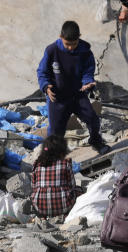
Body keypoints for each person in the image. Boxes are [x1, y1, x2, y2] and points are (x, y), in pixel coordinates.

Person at [36, 20, 108, 153]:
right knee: (55, 132)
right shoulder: (52, 51)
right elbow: (42, 71)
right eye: (67, 44)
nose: (70, 47)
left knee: (93, 120)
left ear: (79, 37)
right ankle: (53, 156)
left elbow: (88, 71)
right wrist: (46, 86)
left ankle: (95, 141)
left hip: (77, 95)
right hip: (57, 98)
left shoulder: (85, 52)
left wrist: (87, 83)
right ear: (61, 37)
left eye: (74, 44)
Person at [30, 134, 79, 219]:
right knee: (79, 190)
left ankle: (44, 215)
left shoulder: (37, 164)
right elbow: (72, 185)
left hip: (40, 207)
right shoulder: (65, 163)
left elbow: (33, 187)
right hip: (64, 206)